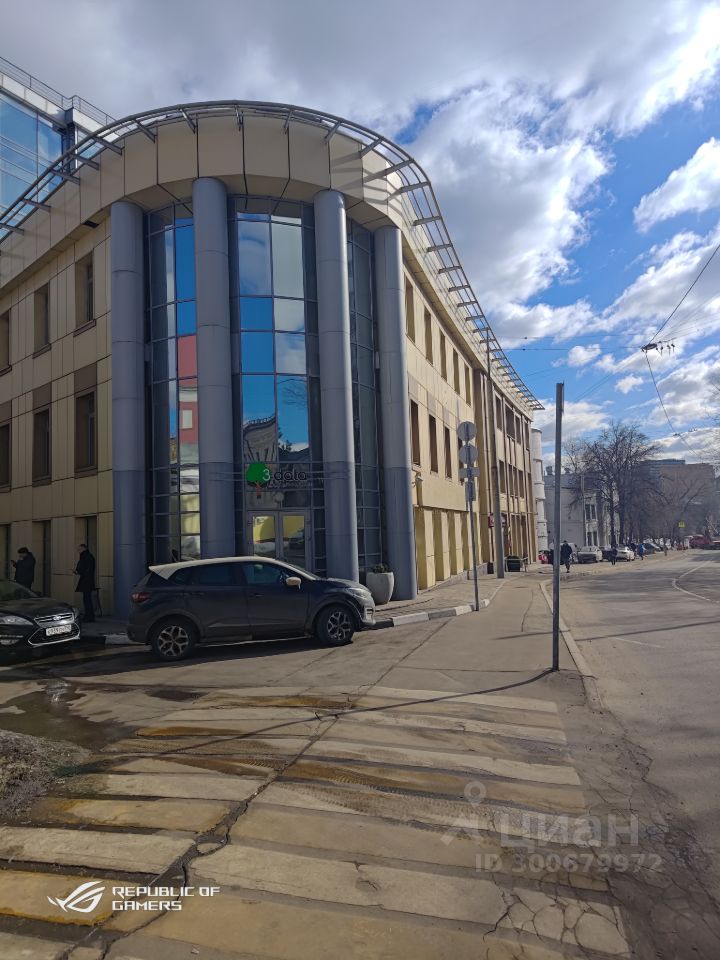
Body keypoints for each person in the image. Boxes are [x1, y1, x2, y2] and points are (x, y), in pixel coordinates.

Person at [74, 544, 96, 623]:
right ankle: (89, 616)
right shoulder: (89, 556)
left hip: (86, 581)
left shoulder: (85, 557)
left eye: (79, 549)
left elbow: (83, 568)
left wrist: (78, 571)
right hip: (88, 580)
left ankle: (89, 616)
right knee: (87, 599)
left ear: (83, 549)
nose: (78, 551)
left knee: (87, 599)